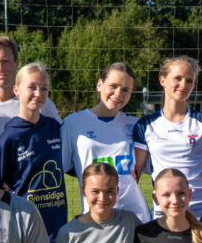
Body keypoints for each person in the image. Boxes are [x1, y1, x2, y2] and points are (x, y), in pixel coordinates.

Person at [0, 62, 67, 243]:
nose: (38, 94)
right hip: (24, 229)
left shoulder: (55, 128)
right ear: (16, 90)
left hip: (55, 227)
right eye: (32, 87)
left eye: (44, 89)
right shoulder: (9, 136)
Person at [61, 63, 150, 224]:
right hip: (94, 215)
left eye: (125, 90)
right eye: (113, 86)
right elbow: (64, 167)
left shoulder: (137, 125)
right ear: (99, 85)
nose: (118, 94)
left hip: (135, 216)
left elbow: (152, 165)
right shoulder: (73, 123)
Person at [133, 56, 202, 218]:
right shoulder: (145, 125)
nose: (183, 85)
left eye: (189, 81)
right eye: (178, 79)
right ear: (162, 80)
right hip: (165, 207)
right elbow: (136, 171)